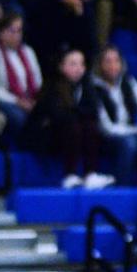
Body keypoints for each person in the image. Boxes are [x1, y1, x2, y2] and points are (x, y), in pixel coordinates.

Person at [27, 46, 111, 189]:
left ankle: (90, 173)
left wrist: (78, 113)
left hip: (77, 134)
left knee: (90, 125)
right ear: (61, 66)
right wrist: (77, 113)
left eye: (81, 64)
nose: (79, 68)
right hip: (49, 138)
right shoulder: (51, 87)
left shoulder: (87, 85)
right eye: (73, 64)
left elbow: (93, 110)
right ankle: (69, 175)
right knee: (73, 124)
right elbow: (57, 115)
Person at [91, 44, 137, 186]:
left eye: (116, 61)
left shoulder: (128, 82)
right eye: (108, 61)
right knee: (130, 143)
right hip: (103, 138)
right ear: (100, 64)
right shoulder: (92, 88)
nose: (113, 65)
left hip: (129, 132)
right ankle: (122, 187)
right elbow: (105, 127)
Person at [0, 10, 42, 138]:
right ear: (1, 32)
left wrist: (36, 101)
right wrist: (17, 101)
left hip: (30, 98)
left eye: (19, 30)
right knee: (19, 117)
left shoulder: (28, 51)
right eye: (12, 31)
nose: (16, 35)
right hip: (5, 100)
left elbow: (38, 81)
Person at [36, 0, 97, 66]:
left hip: (80, 64)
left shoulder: (85, 12)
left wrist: (79, 16)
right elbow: (48, 44)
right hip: (53, 64)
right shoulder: (46, 11)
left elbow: (90, 47)